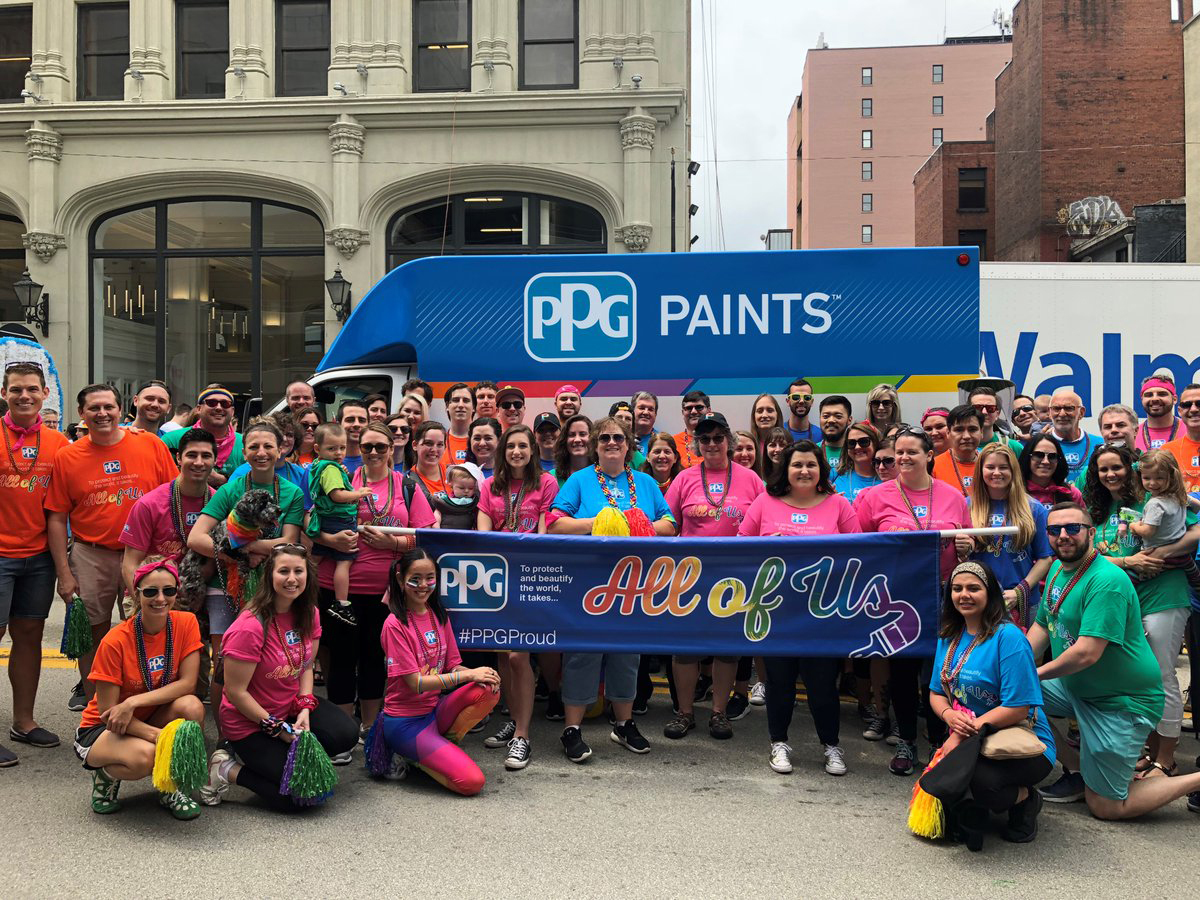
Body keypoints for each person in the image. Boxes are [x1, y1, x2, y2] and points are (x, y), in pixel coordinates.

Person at [1029, 504, 1200, 818]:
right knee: (1011, 695)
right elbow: (1042, 625)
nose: (1063, 536)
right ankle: (1077, 770)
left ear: (1091, 533)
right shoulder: (1057, 569)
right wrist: (1016, 668)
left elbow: (1087, 652)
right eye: (1054, 530)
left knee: (1106, 806)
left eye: (1073, 528)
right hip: (1079, 688)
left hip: (1121, 701)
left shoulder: (1107, 580)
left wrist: (1031, 673)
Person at [549, 416, 674, 762]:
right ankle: (571, 729)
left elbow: (670, 523)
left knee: (627, 653)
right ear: (595, 445)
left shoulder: (646, 482)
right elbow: (555, 523)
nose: (612, 443)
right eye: (604, 438)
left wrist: (640, 524)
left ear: (629, 444)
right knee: (582, 653)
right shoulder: (579, 479)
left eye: (618, 437)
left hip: (633, 583)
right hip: (589, 582)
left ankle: (623, 724)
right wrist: (599, 522)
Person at [48, 384, 179, 712]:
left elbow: (172, 497)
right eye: (94, 408)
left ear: (121, 410)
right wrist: (64, 574)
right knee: (93, 630)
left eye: (109, 407)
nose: (102, 413)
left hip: (146, 554)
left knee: (151, 626)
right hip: (91, 553)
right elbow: (57, 517)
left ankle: (148, 704)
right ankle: (96, 707)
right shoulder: (68, 456)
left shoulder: (150, 444)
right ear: (82, 413)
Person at [203, 544, 359, 810]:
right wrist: (277, 729)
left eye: (298, 571)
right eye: (283, 571)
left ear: (308, 575)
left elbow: (306, 666)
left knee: (346, 734)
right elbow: (236, 692)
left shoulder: (309, 612)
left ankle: (287, 759)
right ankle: (226, 769)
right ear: (269, 576)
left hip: (288, 709)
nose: (292, 579)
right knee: (300, 795)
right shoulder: (250, 626)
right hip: (250, 723)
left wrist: (305, 707)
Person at [739, 440, 860, 776]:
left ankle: (831, 745)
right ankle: (778, 742)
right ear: (786, 470)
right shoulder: (765, 501)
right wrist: (766, 545)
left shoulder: (839, 505)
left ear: (821, 469)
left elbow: (860, 551)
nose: (804, 471)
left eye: (810, 464)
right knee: (779, 683)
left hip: (823, 612)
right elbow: (741, 546)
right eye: (797, 465)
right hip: (777, 610)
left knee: (823, 685)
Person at [856, 426, 968, 776]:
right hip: (898, 596)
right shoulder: (875, 496)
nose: (904, 458)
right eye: (899, 452)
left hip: (944, 594)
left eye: (912, 452)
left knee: (939, 671)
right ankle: (906, 739)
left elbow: (966, 546)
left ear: (929, 455)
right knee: (903, 671)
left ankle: (938, 740)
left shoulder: (953, 496)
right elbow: (860, 546)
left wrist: (966, 546)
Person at [315, 422, 432, 747]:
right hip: (339, 589)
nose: (374, 452)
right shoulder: (341, 480)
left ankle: (368, 727)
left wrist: (392, 544)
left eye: (381, 446)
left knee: (374, 659)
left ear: (392, 448)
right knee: (340, 659)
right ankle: (342, 734)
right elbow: (310, 525)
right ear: (360, 448)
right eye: (367, 446)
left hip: (386, 593)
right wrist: (331, 541)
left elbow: (427, 537)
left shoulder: (406, 485)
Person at [927, 561, 1056, 847]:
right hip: (973, 736)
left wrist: (960, 734)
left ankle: (1026, 800)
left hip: (1024, 739)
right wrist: (948, 715)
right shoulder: (949, 636)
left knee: (981, 784)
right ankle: (975, 808)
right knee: (948, 784)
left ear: (991, 594)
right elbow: (936, 693)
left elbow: (1018, 708)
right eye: (957, 589)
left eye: (974, 588)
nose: (964, 595)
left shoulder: (1009, 638)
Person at [187, 422, 305, 725]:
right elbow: (196, 538)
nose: (261, 452)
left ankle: (260, 723)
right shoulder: (231, 489)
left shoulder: (291, 492)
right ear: (244, 451)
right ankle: (225, 734)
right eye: (254, 447)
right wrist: (238, 553)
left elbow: (290, 541)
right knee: (224, 661)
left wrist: (248, 545)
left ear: (280, 450)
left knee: (266, 661)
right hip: (226, 587)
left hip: (273, 589)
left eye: (268, 446)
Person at [73, 558, 206, 818]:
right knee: (147, 756)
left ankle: (171, 787)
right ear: (136, 594)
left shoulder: (186, 622)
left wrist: (133, 702)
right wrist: (160, 738)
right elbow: (108, 712)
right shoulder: (115, 641)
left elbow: (188, 683)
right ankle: (105, 776)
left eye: (169, 590)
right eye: (151, 591)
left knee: (191, 706)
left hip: (142, 713)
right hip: (104, 727)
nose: (160, 599)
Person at [663, 413, 764, 741]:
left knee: (726, 648)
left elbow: (765, 521)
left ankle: (719, 712)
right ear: (697, 444)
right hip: (691, 577)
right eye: (704, 438)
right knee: (685, 649)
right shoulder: (684, 478)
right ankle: (685, 712)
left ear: (729, 442)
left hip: (735, 577)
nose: (711, 444)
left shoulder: (750, 479)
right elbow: (668, 524)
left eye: (718, 437)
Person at [371, 550, 500, 794]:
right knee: (472, 783)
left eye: (429, 578)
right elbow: (416, 684)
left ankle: (438, 749)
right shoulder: (394, 624)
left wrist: (481, 674)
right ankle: (411, 755)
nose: (423, 585)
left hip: (434, 711)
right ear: (400, 579)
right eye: (415, 578)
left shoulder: (438, 614)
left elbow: (453, 666)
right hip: (404, 723)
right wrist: (469, 675)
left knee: (488, 689)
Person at [0, 361, 70, 765]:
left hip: (39, 557)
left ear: (45, 393)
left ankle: (23, 722)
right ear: (4, 394)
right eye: (16, 389)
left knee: (29, 636)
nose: (24, 396)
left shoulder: (59, 443)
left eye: (31, 389)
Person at [477, 425, 559, 769]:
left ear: (532, 450)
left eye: (523, 446)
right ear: (503, 451)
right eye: (511, 446)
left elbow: (544, 534)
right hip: (498, 579)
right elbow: (483, 534)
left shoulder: (546, 483)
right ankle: (513, 719)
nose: (516, 452)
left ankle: (522, 736)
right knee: (503, 655)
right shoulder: (489, 485)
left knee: (517, 656)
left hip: (531, 578)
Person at [966, 444, 1052, 630]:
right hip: (979, 601)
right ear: (980, 471)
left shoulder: (1034, 508)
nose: (997, 472)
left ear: (1013, 470)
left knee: (1026, 648)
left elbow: (1045, 558)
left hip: (1023, 601)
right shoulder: (966, 507)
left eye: (1003, 467)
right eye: (990, 467)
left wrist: (1019, 591)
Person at [120, 428, 216, 585]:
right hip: (154, 592)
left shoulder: (219, 503)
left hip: (201, 590)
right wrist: (141, 599)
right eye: (191, 455)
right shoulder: (149, 504)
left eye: (206, 456)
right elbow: (130, 565)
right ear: (178, 458)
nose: (199, 462)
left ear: (215, 461)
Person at [307, 423, 373, 624]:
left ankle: (303, 591)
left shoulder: (318, 465)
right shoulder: (330, 469)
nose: (338, 453)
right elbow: (337, 495)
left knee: (315, 558)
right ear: (317, 448)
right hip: (339, 521)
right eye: (332, 448)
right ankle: (342, 604)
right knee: (344, 562)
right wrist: (358, 493)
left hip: (325, 519)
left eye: (342, 448)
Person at [161, 387, 243, 487]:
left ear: (232, 411)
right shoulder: (172, 440)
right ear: (199, 409)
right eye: (211, 403)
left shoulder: (245, 443)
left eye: (225, 404)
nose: (218, 407)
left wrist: (222, 480)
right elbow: (160, 478)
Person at [228, 413, 307, 489]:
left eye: (290, 435)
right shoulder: (241, 473)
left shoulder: (300, 474)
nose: (284, 439)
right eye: (280, 433)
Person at [1047, 390, 1101, 481]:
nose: (1062, 414)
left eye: (1068, 408)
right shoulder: (1040, 446)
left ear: (1081, 412)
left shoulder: (1099, 444)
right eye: (1056, 408)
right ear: (1049, 412)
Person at [1019, 433, 1083, 510]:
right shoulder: (1014, 493)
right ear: (1027, 457)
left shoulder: (1071, 494)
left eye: (1052, 456)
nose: (1046, 461)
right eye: (1039, 455)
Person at [932, 404, 983, 497]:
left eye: (972, 429)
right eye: (959, 430)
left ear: (981, 432)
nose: (966, 436)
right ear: (948, 433)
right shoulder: (933, 466)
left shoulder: (991, 463)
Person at [1163, 381, 1200, 492]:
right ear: (1179, 411)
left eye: (1199, 403)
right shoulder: (1167, 451)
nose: (1194, 409)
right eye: (1187, 405)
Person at [833, 421, 882, 502]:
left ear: (875, 443)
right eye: (851, 443)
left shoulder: (886, 477)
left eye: (864, 442)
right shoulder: (836, 474)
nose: (857, 447)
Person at [969, 387, 1024, 453]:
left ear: (997, 414)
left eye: (990, 408)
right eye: (977, 408)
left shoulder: (1014, 447)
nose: (984, 412)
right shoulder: (958, 447)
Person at [430, 463, 483, 530]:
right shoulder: (444, 501)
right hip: (445, 533)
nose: (466, 491)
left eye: (470, 488)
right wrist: (436, 524)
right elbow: (438, 512)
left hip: (467, 534)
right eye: (461, 488)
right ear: (451, 486)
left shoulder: (475, 503)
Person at [1136, 373, 1180, 452]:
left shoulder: (1191, 430)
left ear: (1174, 399)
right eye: (1149, 395)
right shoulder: (1133, 434)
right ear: (1142, 400)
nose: (1155, 399)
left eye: (1162, 394)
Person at [409, 421, 448, 500]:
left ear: (445, 447)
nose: (434, 449)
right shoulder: (408, 482)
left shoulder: (454, 474)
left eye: (439, 445)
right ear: (415, 445)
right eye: (428, 443)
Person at [554, 414, 594, 486]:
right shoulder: (552, 477)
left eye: (582, 434)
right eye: (572, 435)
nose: (577, 440)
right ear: (564, 440)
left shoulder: (602, 475)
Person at [441, 382, 475, 467]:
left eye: (466, 400)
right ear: (447, 406)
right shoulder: (438, 441)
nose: (460, 405)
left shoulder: (482, 442)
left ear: (474, 407)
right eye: (456, 400)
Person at [674, 390, 709, 469]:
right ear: (683, 412)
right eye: (689, 408)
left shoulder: (718, 440)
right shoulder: (673, 442)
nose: (693, 411)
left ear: (709, 410)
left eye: (699, 407)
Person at [333, 401, 369, 476]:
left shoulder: (375, 460)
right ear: (338, 424)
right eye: (350, 420)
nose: (357, 424)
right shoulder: (327, 460)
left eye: (362, 420)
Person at [785, 378, 824, 443]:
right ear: (788, 401)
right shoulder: (778, 432)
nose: (801, 401)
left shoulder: (821, 435)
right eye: (796, 397)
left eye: (807, 397)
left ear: (812, 402)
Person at [818, 395, 852, 468]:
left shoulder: (857, 452)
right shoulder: (812, 451)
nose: (831, 420)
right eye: (826, 416)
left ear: (849, 420)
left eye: (838, 416)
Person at [631, 390, 659, 456]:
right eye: (641, 408)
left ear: (655, 415)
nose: (646, 412)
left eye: (650, 409)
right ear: (632, 411)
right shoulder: (621, 438)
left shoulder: (661, 440)